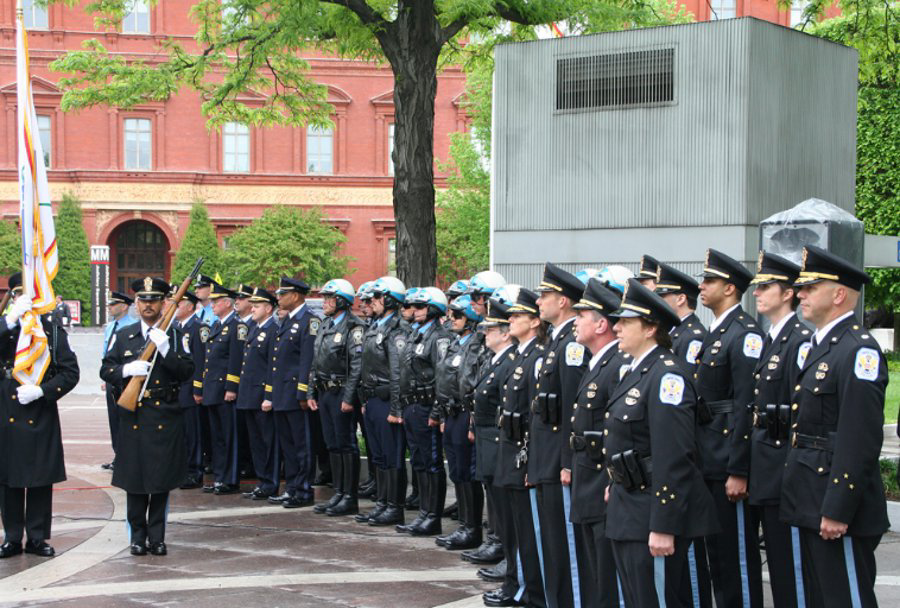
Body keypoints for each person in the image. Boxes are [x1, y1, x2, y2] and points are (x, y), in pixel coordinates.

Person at [781, 245, 889, 607]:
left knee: (847, 599)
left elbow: (860, 437)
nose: (800, 294)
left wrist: (838, 508)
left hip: (837, 506)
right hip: (811, 497)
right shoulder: (823, 345)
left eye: (811, 288)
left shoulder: (858, 351)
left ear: (839, 295)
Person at [604, 279, 718, 606]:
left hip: (651, 512)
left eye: (626, 322)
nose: (616, 327)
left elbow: (674, 455)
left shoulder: (667, 376)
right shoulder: (639, 371)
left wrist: (664, 525)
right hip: (630, 506)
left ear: (651, 328)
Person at [100, 277, 193, 556]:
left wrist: (165, 350)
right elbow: (106, 369)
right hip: (135, 416)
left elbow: (187, 371)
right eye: (143, 300)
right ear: (136, 304)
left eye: (154, 300)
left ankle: (157, 537)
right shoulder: (124, 334)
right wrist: (127, 370)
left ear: (164, 303)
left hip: (164, 415)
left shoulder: (175, 335)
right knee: (135, 481)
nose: (148, 305)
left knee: (160, 480)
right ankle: (137, 537)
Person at [695, 248, 765, 607]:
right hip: (709, 457)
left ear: (730, 288)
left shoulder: (744, 334)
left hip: (726, 462)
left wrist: (739, 469)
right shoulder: (717, 331)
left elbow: (745, 405)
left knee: (736, 557)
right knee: (718, 557)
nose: (702, 286)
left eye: (710, 280)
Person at [0, 273, 80, 559]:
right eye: (18, 294)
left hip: (38, 408)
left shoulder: (51, 330)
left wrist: (42, 391)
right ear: (13, 297)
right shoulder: (5, 326)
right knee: (7, 477)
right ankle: (11, 537)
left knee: (39, 477)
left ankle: (36, 537)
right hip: (6, 407)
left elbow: (70, 373)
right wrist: (9, 321)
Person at [748, 251, 811, 607]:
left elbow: (799, 414)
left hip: (783, 470)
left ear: (788, 293)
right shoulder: (773, 338)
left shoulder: (798, 341)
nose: (757, 293)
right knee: (780, 567)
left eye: (766, 287)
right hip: (767, 468)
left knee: (791, 572)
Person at [568, 277, 629, 608]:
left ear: (601, 324)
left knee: (608, 575)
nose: (575, 322)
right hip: (586, 478)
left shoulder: (617, 365)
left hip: (602, 482)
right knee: (594, 571)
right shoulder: (598, 363)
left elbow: (619, 432)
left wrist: (610, 481)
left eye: (581, 316)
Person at [531, 262, 589, 608]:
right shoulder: (557, 341)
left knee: (565, 548)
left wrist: (567, 462)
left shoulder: (571, 345)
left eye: (545, 295)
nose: (539, 301)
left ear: (563, 300)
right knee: (551, 544)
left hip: (558, 460)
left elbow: (572, 409)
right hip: (546, 458)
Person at [487, 288, 546, 608]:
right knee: (511, 525)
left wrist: (530, 458)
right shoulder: (519, 355)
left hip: (522, 452)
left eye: (517, 315)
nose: (509, 320)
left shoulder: (537, 356)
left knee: (524, 527)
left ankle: (525, 589)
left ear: (534, 322)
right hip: (508, 447)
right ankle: (514, 582)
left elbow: (536, 414)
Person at [466, 294, 518, 593]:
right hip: (487, 438)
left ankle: (508, 556)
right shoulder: (495, 359)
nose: (485, 333)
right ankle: (500, 546)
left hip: (498, 440)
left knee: (503, 503)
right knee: (494, 497)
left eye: (491, 329)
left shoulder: (509, 362)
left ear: (505, 333)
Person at [307, 279, 365, 517]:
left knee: (346, 444)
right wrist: (311, 391)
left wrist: (349, 398)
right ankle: (338, 493)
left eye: (328, 298)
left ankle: (349, 497)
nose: (324, 302)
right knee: (332, 444)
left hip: (342, 391)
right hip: (325, 392)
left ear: (341, 300)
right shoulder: (326, 324)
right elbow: (316, 361)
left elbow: (357, 366)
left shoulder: (354, 327)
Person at [397, 287, 452, 537]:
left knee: (431, 462)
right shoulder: (415, 333)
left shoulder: (439, 337)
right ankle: (423, 512)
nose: (414, 310)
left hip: (427, 405)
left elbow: (442, 376)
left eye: (420, 307)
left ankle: (433, 517)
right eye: (413, 306)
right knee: (418, 460)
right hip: (412, 405)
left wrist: (437, 412)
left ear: (433, 309)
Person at [356, 276, 409, 526]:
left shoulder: (397, 329)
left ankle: (394, 507)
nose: (372, 301)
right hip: (373, 399)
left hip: (388, 399)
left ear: (390, 300)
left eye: (378, 297)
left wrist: (396, 409)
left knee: (392, 455)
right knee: (378, 455)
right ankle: (382, 503)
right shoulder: (376, 326)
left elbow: (398, 372)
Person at [434, 294, 485, 550]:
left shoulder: (477, 344)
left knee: (467, 472)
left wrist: (473, 419)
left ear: (471, 319)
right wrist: (442, 414)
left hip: (466, 412)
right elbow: (444, 380)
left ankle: (472, 528)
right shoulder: (455, 343)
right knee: (456, 470)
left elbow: (474, 382)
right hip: (451, 412)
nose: (451, 319)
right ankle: (464, 525)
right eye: (450, 315)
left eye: (458, 315)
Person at [263, 278, 318, 508]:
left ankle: (303, 490)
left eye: (282, 294)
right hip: (282, 393)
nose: (278, 298)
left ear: (295, 295)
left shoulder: (308, 321)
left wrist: (303, 393)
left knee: (301, 445)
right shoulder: (287, 321)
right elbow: (276, 361)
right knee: (288, 445)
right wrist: (271, 393)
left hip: (296, 394)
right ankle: (292, 487)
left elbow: (307, 360)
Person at [195, 282, 243, 495]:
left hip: (225, 389)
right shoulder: (216, 325)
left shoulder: (235, 326)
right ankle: (220, 477)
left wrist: (231, 387)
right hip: (212, 389)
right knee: (217, 438)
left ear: (227, 303)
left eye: (216, 302)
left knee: (228, 437)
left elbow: (235, 359)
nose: (212, 305)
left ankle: (230, 479)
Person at [237, 288, 281, 501]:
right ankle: (262, 481)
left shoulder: (273, 330)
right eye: (252, 305)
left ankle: (270, 483)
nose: (252, 308)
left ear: (268, 308)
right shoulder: (255, 328)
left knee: (267, 442)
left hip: (262, 395)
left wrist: (269, 396)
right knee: (256, 442)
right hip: (249, 394)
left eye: (257, 306)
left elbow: (273, 367)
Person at [101, 291, 138, 471]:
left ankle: (127, 456)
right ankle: (118, 455)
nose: (110, 307)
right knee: (113, 419)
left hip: (127, 377)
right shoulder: (110, 326)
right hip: (112, 376)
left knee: (126, 419)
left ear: (124, 307)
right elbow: (106, 353)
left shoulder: (132, 326)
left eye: (113, 304)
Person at [174, 290, 205, 489]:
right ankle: (183, 469)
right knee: (181, 433)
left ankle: (194, 471)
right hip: (178, 388)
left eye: (179, 304)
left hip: (190, 388)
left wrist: (197, 388)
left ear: (190, 307)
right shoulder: (177, 327)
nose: (175, 307)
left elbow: (200, 361)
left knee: (193, 434)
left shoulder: (198, 328)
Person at [655, 262, 706, 374]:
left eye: (661, 296)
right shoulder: (672, 329)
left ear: (681, 299)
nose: (657, 302)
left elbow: (689, 378)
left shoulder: (692, 337)